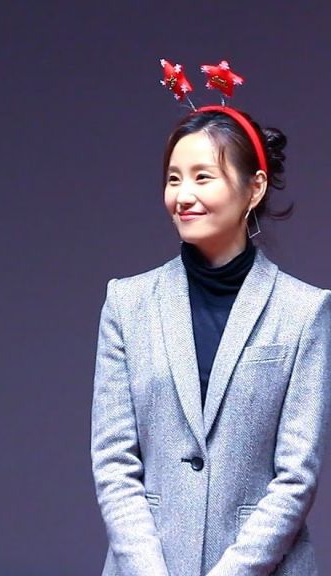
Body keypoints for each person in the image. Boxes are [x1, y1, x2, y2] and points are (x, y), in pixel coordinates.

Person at [91, 106, 330, 575]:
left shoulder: (304, 311)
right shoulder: (127, 303)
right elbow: (114, 462)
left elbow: (296, 478)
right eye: (173, 179)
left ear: (254, 188)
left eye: (203, 177)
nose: (183, 195)